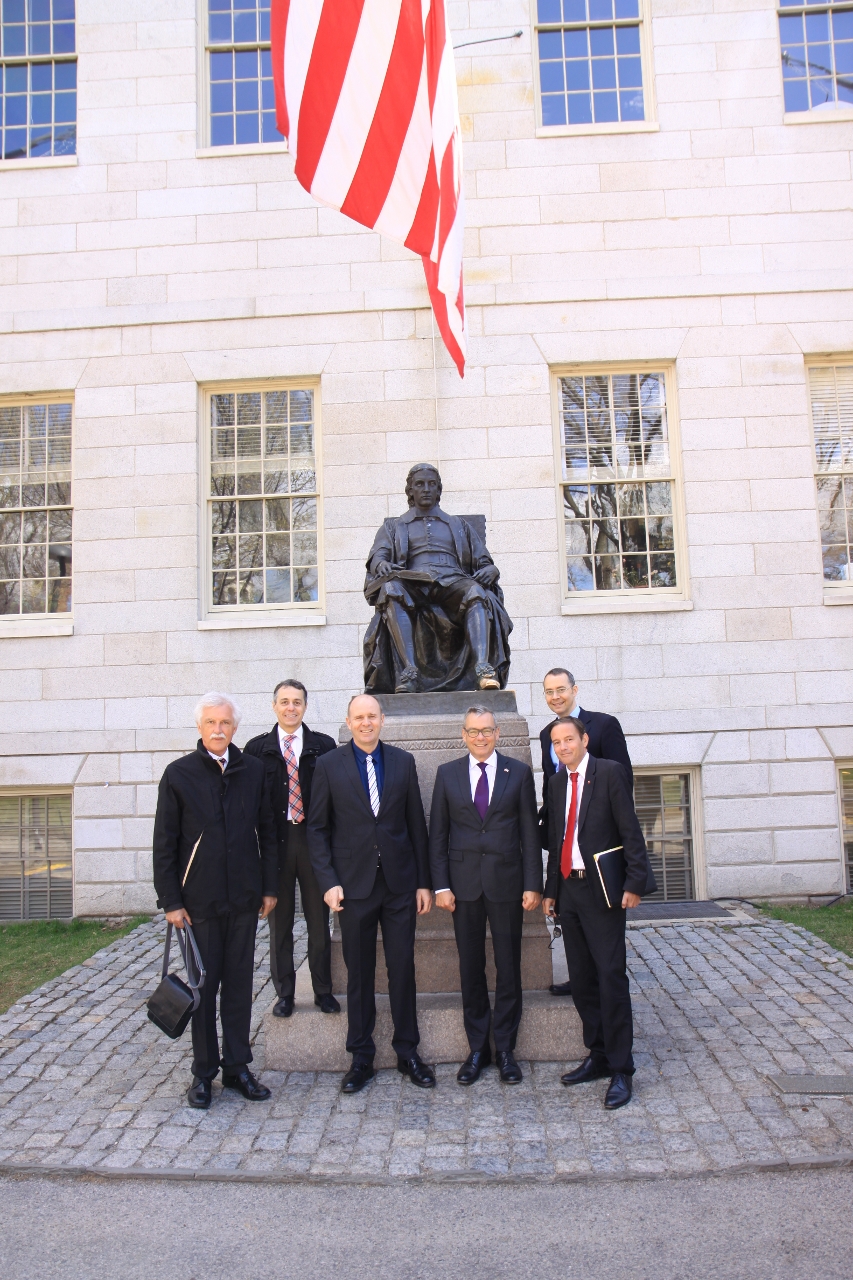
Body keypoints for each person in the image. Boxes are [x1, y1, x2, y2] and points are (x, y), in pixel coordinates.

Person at [152, 693, 278, 1111]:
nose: (218, 729)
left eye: (225, 722)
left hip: (243, 899)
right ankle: (203, 1073)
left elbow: (268, 832)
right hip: (198, 903)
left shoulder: (253, 770)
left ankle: (238, 1067)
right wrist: (171, 901)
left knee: (240, 988)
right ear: (200, 727)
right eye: (210, 722)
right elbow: (164, 844)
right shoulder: (179, 774)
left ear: (235, 728)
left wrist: (270, 888)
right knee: (203, 990)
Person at [307, 693, 434, 1094]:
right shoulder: (328, 765)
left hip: (399, 885)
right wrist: (328, 882)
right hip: (352, 886)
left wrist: (423, 882)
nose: (366, 723)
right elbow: (317, 830)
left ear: (383, 719)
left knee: (402, 969)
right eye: (358, 717)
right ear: (348, 721)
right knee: (359, 974)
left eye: (372, 716)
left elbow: (417, 824)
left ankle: (407, 1051)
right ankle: (361, 1056)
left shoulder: (402, 761)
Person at [542, 716, 654, 1111]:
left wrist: (635, 883)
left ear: (584, 739)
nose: (563, 747)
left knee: (609, 975)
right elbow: (557, 841)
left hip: (603, 891)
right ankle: (599, 1053)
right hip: (568, 890)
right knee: (584, 979)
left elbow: (630, 829)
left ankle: (622, 1067)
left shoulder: (609, 773)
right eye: (556, 743)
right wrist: (550, 892)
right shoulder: (557, 784)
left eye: (569, 739)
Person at [429, 706, 542, 1085]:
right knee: (470, 968)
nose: (481, 737)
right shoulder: (447, 775)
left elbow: (529, 832)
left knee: (509, 967)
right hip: (463, 889)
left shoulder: (519, 773)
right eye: (474, 731)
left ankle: (506, 1048)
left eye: (487, 731)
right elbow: (438, 837)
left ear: (498, 733)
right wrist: (441, 886)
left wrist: (532, 884)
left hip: (508, 884)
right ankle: (478, 1047)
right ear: (463, 735)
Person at [362, 463, 513, 693]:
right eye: (419, 484)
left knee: (476, 592)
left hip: (453, 581)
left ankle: (483, 669)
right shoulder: (394, 526)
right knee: (391, 589)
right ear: (410, 491)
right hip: (413, 582)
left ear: (439, 490)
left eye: (432, 484)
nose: (426, 489)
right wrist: (380, 563)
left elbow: (484, 562)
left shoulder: (458, 525)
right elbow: (378, 555)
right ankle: (409, 672)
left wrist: (492, 570)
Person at [244, 679, 338, 1019]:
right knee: (279, 924)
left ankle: (323, 991)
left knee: (319, 921)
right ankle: (285, 993)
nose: (290, 708)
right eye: (284, 701)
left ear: (305, 707)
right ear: (274, 706)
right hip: (275, 844)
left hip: (313, 843)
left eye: (297, 702)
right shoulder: (257, 750)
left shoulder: (323, 746)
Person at [539, 667, 633, 997]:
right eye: (549, 692)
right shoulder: (545, 734)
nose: (556, 697)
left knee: (606, 953)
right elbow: (552, 787)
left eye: (561, 689)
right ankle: (580, 979)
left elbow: (624, 784)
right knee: (576, 938)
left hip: (598, 850)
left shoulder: (604, 725)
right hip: (565, 846)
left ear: (574, 690)